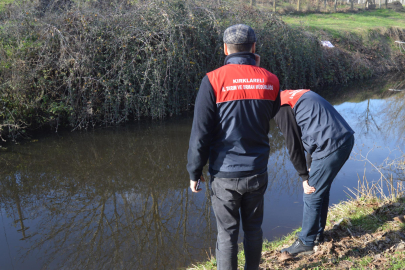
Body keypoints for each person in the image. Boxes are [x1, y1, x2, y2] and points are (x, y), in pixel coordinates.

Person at [186, 24, 280, 270]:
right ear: (254, 47)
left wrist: (195, 172)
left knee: (227, 235)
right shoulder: (271, 79)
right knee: (253, 229)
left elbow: (200, 134)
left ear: (225, 48)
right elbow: (270, 114)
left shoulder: (213, 80)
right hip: (257, 171)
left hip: (224, 174)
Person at [274, 89, 355, 255]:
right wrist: (310, 165)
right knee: (319, 189)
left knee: (311, 191)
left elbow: (293, 144)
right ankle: (317, 234)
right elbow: (312, 128)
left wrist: (304, 176)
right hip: (342, 138)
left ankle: (306, 242)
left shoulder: (280, 107)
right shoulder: (292, 96)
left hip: (331, 144)